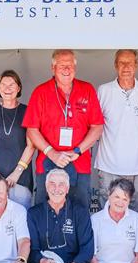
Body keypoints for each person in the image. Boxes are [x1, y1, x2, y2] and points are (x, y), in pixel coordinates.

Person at [23, 49, 104, 208]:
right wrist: (52, 153)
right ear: (53, 68)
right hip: (47, 160)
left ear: (75, 68)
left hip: (79, 161)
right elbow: (32, 130)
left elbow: (97, 127)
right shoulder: (41, 92)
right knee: (44, 211)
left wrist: (77, 151)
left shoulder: (87, 89)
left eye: (70, 65)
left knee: (79, 210)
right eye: (62, 65)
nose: (67, 69)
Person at [95, 50, 138, 213]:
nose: (126, 67)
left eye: (130, 63)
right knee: (108, 214)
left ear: (136, 65)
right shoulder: (103, 90)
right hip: (109, 165)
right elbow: (95, 125)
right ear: (116, 65)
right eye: (122, 63)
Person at [0, 70, 35, 209]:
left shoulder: (27, 111)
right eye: (3, 84)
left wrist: (16, 173)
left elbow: (31, 146)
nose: (7, 88)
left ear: (19, 88)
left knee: (19, 225)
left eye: (12, 85)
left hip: (19, 181)